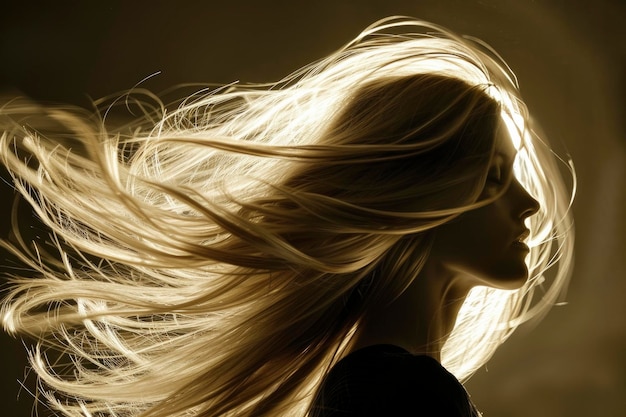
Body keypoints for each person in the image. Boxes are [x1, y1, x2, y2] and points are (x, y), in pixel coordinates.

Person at [0, 17, 574, 417]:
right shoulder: (399, 396)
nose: (529, 205)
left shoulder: (380, 388)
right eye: (494, 176)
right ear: (416, 191)